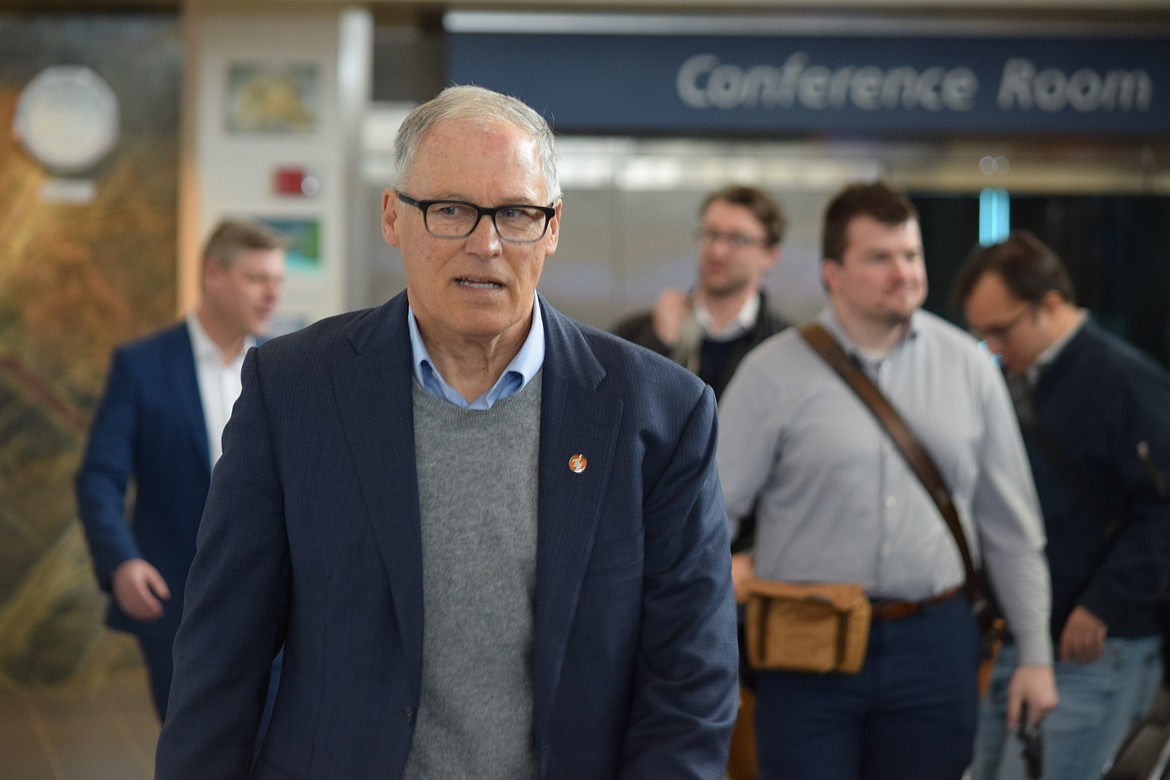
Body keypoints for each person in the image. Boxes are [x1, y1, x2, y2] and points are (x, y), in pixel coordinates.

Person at [154, 85, 739, 779]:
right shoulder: (293, 392)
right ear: (392, 216)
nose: (486, 243)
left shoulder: (660, 414)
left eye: (517, 213)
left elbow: (690, 683)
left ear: (552, 228)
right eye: (451, 210)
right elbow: (222, 655)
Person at [716, 181, 1059, 780]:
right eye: (880, 258)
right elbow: (706, 522)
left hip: (935, 642)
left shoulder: (969, 367)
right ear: (832, 273)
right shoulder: (771, 374)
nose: (903, 273)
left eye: (911, 254)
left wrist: (1036, 655)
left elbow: (1011, 527)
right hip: (808, 644)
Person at [955, 230, 1170, 780]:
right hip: (1026, 635)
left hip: (1099, 644)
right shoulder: (1021, 379)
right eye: (981, 335)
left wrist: (1103, 603)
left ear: (1049, 304)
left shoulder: (1127, 382)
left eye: (1001, 331)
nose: (992, 349)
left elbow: (1163, 512)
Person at [75, 219, 287, 720]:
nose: (272, 295)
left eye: (278, 281)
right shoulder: (142, 365)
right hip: (176, 597)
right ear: (213, 274)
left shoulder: (284, 366)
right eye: (258, 279)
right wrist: (122, 561)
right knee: (195, 750)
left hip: (272, 600)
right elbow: (99, 477)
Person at [611, 183, 790, 401]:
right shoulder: (635, 333)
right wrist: (659, 344)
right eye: (711, 234)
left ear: (770, 255)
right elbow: (614, 405)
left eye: (738, 239)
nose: (718, 251)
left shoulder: (784, 345)